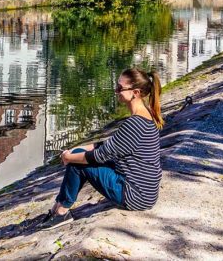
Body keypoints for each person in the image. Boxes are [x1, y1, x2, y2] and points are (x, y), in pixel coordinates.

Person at [40, 68, 163, 225]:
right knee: (78, 155)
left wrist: (68, 157)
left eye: (120, 88)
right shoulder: (146, 115)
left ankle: (61, 211)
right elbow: (109, 145)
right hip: (144, 192)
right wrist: (77, 149)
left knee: (78, 164)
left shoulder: (135, 123)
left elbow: (99, 156)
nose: (115, 91)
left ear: (136, 93)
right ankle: (58, 206)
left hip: (135, 195)